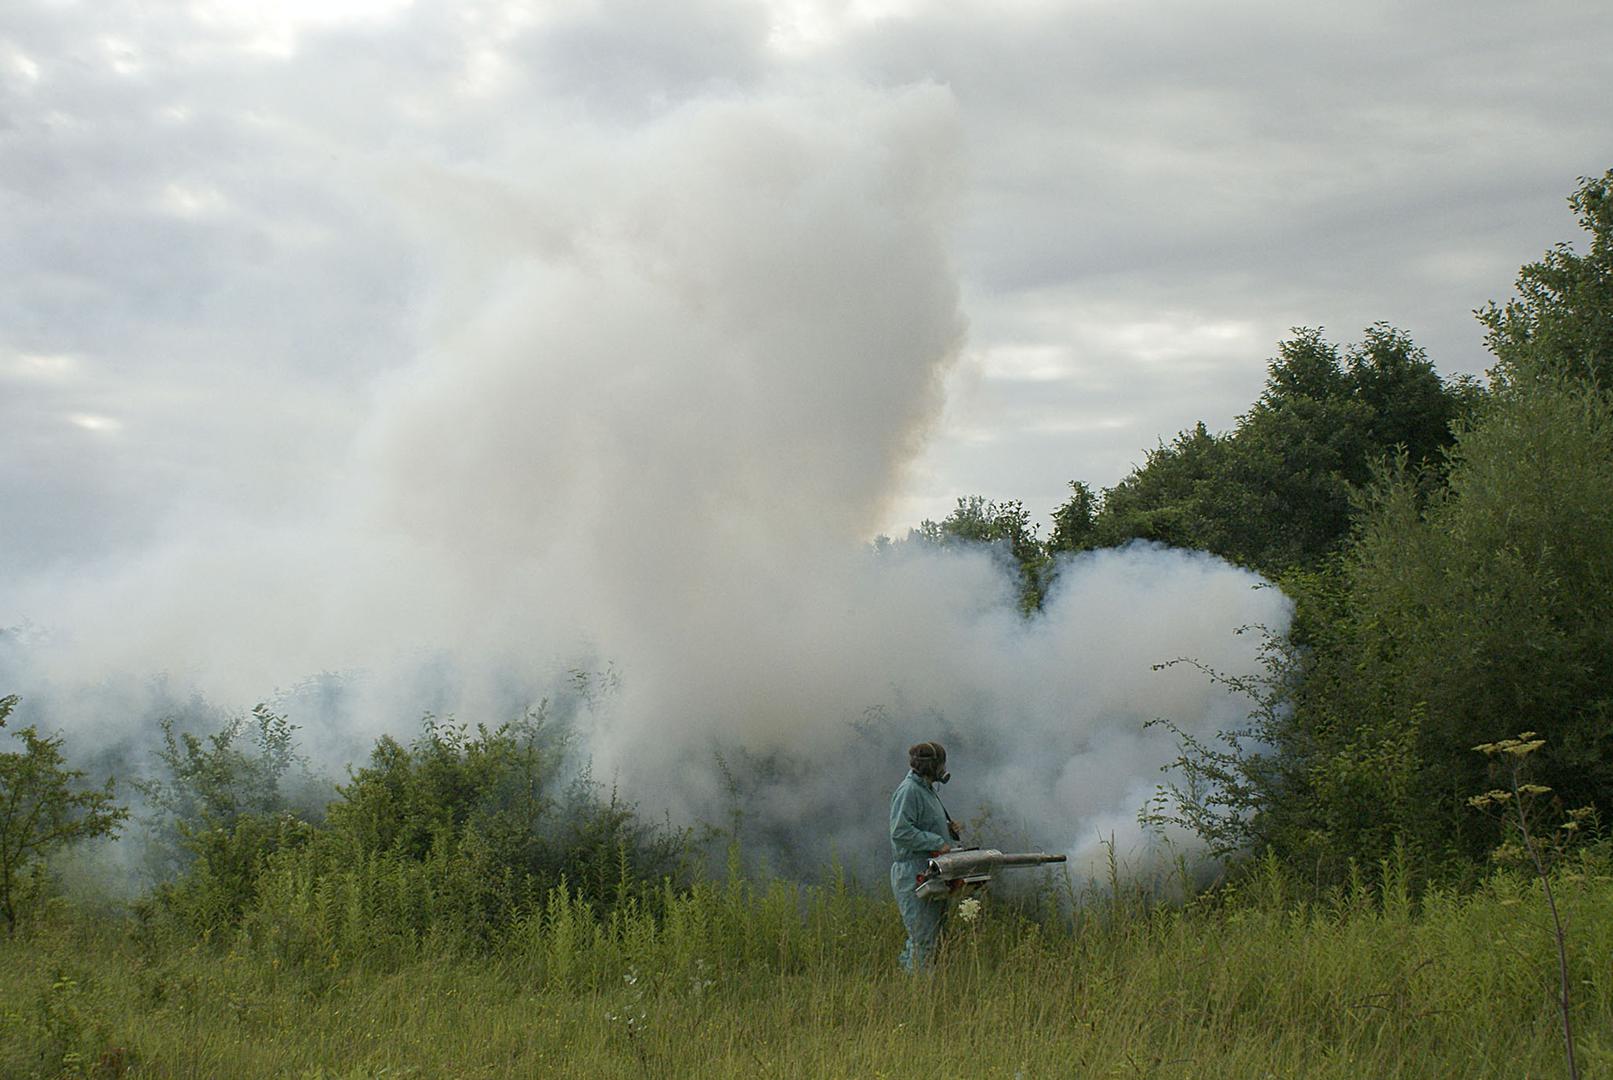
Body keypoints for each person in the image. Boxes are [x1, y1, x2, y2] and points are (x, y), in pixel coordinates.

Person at [889, 741, 963, 972]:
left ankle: (915, 987)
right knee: (924, 939)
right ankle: (918, 994)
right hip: (913, 872)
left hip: (931, 871)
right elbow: (900, 831)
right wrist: (936, 842)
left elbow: (922, 824)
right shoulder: (909, 790)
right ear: (934, 766)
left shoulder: (926, 790)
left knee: (934, 937)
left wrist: (948, 830)